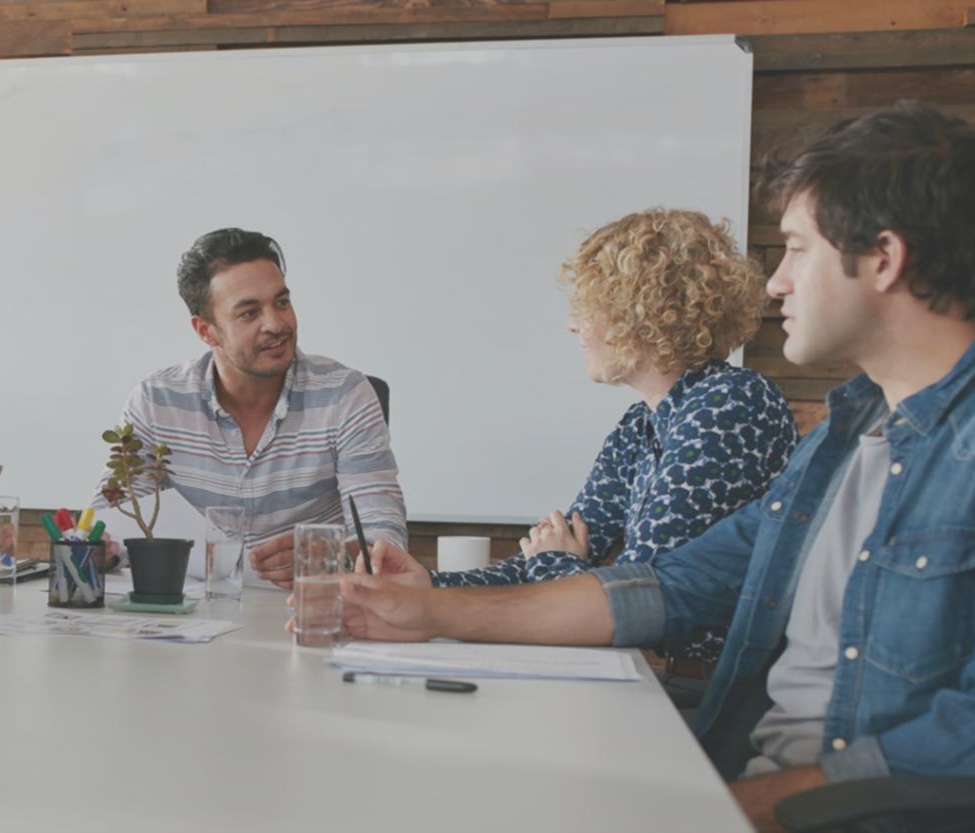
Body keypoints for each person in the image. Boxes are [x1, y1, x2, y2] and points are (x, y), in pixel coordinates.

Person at [338, 101, 975, 831]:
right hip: (749, 770)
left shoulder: (756, 408)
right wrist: (427, 604)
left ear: (885, 259)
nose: (776, 283)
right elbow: (672, 584)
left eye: (798, 249)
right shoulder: (841, 440)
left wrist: (746, 807)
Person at [436, 208, 796, 669]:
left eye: (588, 309)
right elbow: (557, 549)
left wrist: (555, 564)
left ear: (639, 313)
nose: (574, 327)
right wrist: (426, 587)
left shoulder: (730, 405)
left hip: (717, 690)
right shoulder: (639, 424)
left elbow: (638, 598)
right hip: (665, 683)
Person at [101, 228, 406, 588]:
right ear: (206, 331)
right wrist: (100, 548)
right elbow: (114, 529)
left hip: (311, 614)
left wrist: (324, 554)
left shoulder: (346, 395)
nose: (276, 324)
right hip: (195, 620)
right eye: (249, 313)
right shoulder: (157, 401)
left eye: (282, 302)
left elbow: (385, 542)